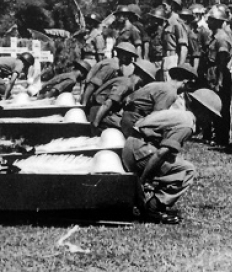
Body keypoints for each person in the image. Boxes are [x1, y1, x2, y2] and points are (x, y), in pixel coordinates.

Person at [122, 88, 221, 224]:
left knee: (177, 163)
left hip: (132, 146)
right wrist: (143, 181)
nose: (210, 121)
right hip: (139, 151)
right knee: (187, 170)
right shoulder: (188, 124)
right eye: (210, 116)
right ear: (202, 110)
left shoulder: (181, 115)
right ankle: (153, 208)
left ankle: (145, 202)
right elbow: (161, 153)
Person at [119, 64, 196, 137]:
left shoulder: (157, 84)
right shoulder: (171, 92)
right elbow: (155, 118)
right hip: (133, 121)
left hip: (126, 116)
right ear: (186, 82)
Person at [198, 6, 232, 147]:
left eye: (211, 20)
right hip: (211, 74)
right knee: (212, 105)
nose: (208, 22)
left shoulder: (221, 38)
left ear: (218, 21)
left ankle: (222, 137)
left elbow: (222, 61)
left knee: (221, 107)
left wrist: (219, 80)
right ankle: (215, 134)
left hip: (218, 75)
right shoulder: (213, 37)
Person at [89, 59, 157, 132]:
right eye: (147, 79)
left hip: (106, 112)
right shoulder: (126, 84)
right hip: (99, 112)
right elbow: (107, 104)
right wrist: (95, 125)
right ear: (142, 76)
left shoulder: (132, 86)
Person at [80, 42, 137, 107]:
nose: (131, 60)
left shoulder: (117, 67)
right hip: (95, 101)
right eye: (130, 56)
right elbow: (92, 85)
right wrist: (84, 105)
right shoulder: (111, 66)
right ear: (123, 55)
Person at [158, 0, 189, 77]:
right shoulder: (167, 24)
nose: (163, 8)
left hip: (173, 61)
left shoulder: (178, 24)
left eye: (165, 6)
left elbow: (184, 49)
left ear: (172, 6)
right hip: (165, 60)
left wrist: (179, 69)